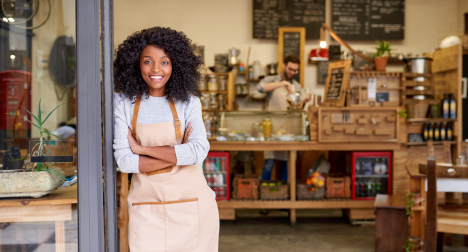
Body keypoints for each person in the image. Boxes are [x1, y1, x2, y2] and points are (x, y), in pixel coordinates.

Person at [113, 27, 219, 252]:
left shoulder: (189, 102)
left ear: (175, 66)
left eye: (164, 62)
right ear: (135, 64)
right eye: (148, 61)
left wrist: (142, 149)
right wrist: (179, 153)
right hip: (146, 209)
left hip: (194, 208)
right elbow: (125, 161)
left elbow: (198, 151)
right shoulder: (122, 102)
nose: (156, 69)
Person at [257, 54, 311, 181]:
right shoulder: (272, 79)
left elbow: (295, 106)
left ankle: (283, 194)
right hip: (271, 128)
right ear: (283, 66)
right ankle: (264, 194)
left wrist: (304, 101)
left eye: (295, 70)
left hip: (288, 130)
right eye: (290, 69)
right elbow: (260, 88)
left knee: (286, 165)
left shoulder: (296, 86)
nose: (292, 72)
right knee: (269, 165)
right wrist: (282, 83)